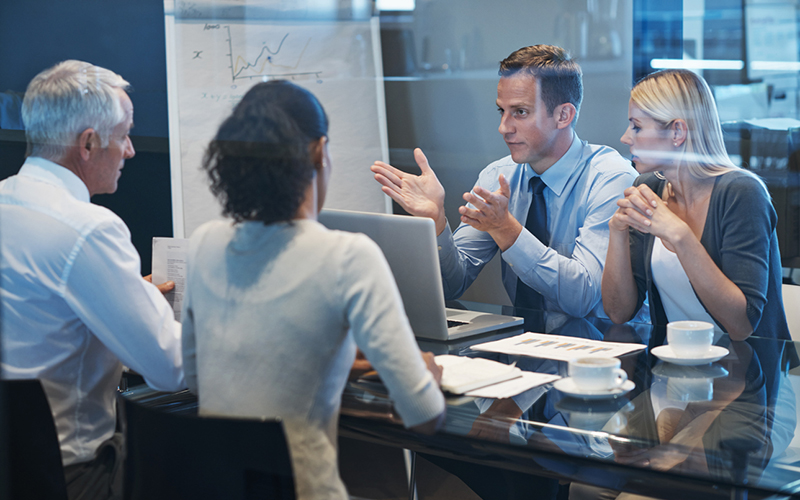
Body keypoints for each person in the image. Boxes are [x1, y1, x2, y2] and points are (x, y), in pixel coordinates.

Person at [180, 80, 446, 500]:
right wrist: (424, 375)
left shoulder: (204, 242)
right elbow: (425, 415)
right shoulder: (348, 255)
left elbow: (196, 381)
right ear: (319, 151)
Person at [0, 60, 184, 499]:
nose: (131, 150)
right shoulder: (90, 229)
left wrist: (129, 295)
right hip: (70, 478)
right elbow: (170, 367)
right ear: (88, 143)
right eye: (124, 136)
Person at [371, 44, 637, 318]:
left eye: (520, 112)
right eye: (502, 111)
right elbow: (453, 284)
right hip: (524, 344)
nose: (503, 128)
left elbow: (583, 297)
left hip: (603, 348)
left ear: (563, 115)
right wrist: (437, 221)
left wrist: (507, 230)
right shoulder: (498, 175)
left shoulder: (612, 179)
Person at [601, 69, 791, 344]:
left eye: (637, 126)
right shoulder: (649, 188)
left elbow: (741, 325)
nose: (626, 137)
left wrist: (679, 236)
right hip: (674, 374)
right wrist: (616, 233)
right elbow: (618, 312)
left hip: (750, 376)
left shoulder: (742, 193)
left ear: (677, 131)